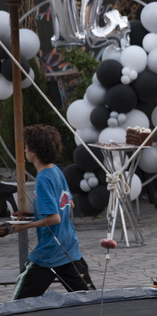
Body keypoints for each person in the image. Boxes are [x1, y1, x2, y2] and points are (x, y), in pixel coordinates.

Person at [12, 125, 95, 299]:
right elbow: (68, 205)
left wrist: (22, 227)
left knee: (17, 305)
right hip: (68, 249)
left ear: (34, 152)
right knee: (91, 301)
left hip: (47, 255)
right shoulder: (56, 171)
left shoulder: (42, 180)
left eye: (26, 147)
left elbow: (55, 218)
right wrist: (29, 215)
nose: (25, 150)